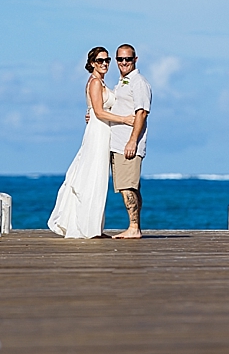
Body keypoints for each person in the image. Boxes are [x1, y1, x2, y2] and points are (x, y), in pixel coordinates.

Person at [48, 47, 136, 238]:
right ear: (92, 64)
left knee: (99, 180)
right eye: (100, 61)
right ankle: (85, 227)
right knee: (92, 178)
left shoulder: (102, 83)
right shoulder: (95, 82)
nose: (104, 64)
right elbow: (99, 112)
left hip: (104, 132)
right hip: (98, 133)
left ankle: (93, 227)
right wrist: (125, 119)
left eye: (107, 60)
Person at [109, 44, 152, 239]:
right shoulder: (123, 82)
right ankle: (135, 226)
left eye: (128, 59)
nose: (124, 63)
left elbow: (141, 112)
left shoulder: (138, 82)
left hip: (127, 142)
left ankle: (134, 227)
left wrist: (132, 141)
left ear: (135, 59)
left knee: (127, 186)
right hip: (118, 142)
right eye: (120, 59)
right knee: (131, 186)